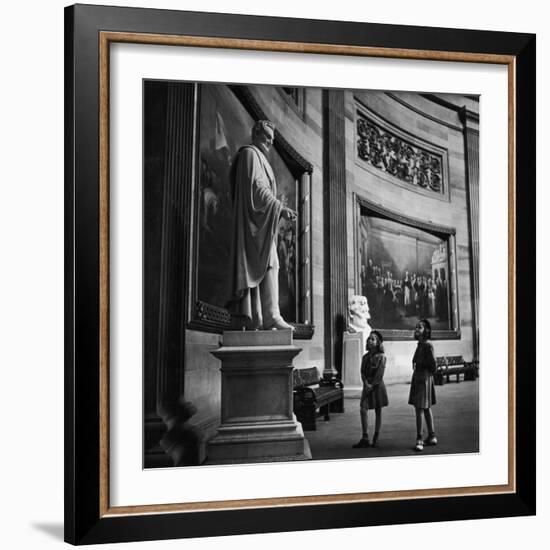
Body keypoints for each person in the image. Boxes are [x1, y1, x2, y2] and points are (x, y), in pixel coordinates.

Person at [227, 120, 297, 330]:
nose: (269, 141)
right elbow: (257, 190)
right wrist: (280, 208)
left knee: (272, 263)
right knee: (270, 263)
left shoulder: (261, 160)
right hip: (252, 226)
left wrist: (275, 209)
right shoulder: (250, 154)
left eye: (271, 139)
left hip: (262, 225)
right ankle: (267, 315)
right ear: (255, 133)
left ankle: (270, 315)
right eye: (265, 136)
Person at [352, 330, 389, 449]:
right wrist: (365, 383)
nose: (369, 340)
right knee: (363, 409)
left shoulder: (382, 357)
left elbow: (379, 374)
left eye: (373, 339)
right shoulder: (365, 357)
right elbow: (362, 371)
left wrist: (371, 386)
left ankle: (376, 437)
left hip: (377, 387)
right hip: (367, 385)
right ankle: (365, 437)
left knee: (378, 411)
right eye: (369, 338)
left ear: (378, 343)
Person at [408, 319, 438, 451]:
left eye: (419, 327)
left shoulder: (427, 345)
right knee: (425, 408)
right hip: (418, 377)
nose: (416, 329)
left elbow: (433, 365)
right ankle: (432, 436)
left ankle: (419, 439)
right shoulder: (420, 344)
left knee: (420, 409)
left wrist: (424, 372)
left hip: (423, 378)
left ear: (426, 330)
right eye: (416, 327)